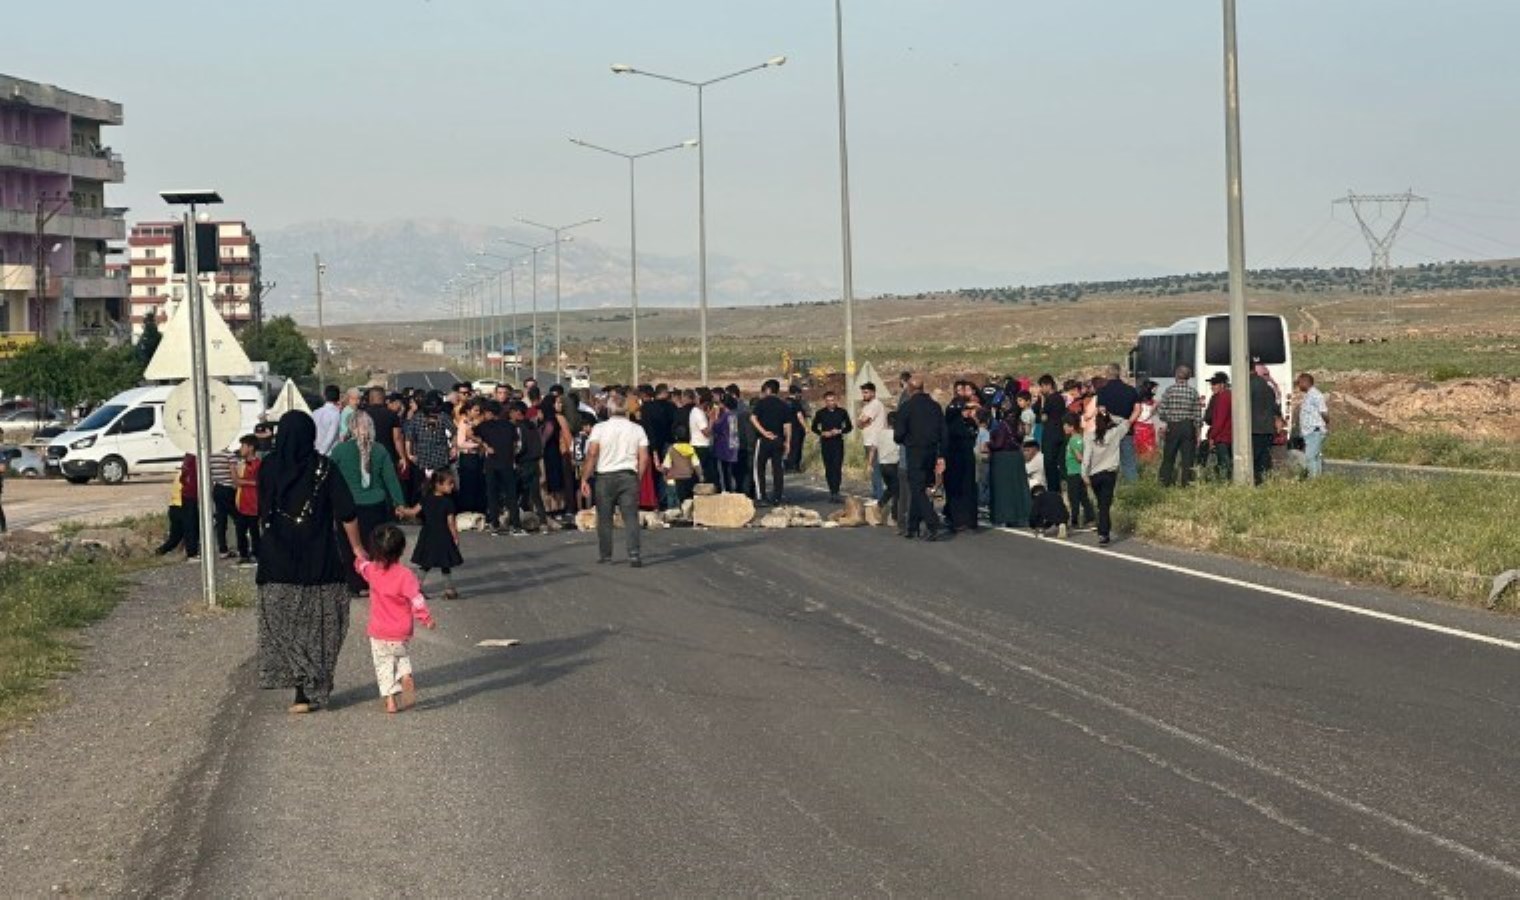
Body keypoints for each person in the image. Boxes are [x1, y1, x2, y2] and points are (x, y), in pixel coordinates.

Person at [256, 410, 366, 714]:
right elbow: (346, 512)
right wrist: (357, 548)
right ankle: (316, 685)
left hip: (277, 558)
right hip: (320, 558)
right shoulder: (325, 468)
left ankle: (301, 690)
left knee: (282, 623)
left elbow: (262, 509)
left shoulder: (268, 466)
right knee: (322, 624)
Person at [354, 523, 436, 715]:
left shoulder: (372, 571)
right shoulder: (405, 575)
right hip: (400, 631)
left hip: (379, 630)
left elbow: (361, 565)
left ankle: (390, 700)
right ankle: (405, 674)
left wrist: (359, 559)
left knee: (383, 664)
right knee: (401, 656)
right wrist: (426, 618)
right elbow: (417, 599)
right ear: (401, 550)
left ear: (375, 550)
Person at [330, 411, 410, 595]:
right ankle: (374, 581)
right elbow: (391, 479)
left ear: (350, 428)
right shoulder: (380, 449)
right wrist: (400, 503)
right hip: (376, 505)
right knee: (376, 547)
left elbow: (331, 479)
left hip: (348, 507)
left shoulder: (339, 450)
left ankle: (354, 584)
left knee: (349, 546)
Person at [581, 391, 652, 567]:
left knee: (604, 518)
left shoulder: (599, 428)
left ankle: (606, 554)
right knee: (631, 517)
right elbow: (644, 457)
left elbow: (592, 453)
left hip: (605, 476)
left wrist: (584, 477)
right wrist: (638, 477)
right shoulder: (637, 429)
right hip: (628, 475)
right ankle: (634, 554)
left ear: (609, 410)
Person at [893, 376, 949, 541]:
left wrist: (907, 440)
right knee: (923, 486)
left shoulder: (906, 407)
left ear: (910, 389)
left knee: (917, 489)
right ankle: (912, 526)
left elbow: (898, 435)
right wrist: (942, 455)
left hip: (915, 451)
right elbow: (943, 433)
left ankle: (932, 522)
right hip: (931, 451)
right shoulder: (935, 406)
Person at [412, 470, 464, 599]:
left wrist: (402, 510)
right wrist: (455, 536)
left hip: (428, 535)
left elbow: (414, 511)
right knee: (445, 564)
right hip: (443, 536)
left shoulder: (426, 499)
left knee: (426, 564)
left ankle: (415, 588)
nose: (452, 486)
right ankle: (449, 590)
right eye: (449, 483)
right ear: (438, 484)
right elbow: (451, 522)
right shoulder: (448, 502)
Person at [1083, 411, 1130, 546]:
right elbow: (1126, 422)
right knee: (1105, 505)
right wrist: (1112, 416)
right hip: (1109, 473)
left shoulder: (1090, 436)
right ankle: (1104, 533)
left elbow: (1086, 458)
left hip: (1094, 474)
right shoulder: (1115, 434)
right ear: (1108, 422)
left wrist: (1084, 474)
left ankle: (1103, 528)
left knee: (1101, 504)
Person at [1157, 366, 1202, 487]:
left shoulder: (1169, 391)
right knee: (1188, 458)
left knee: (1169, 456)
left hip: (1173, 426)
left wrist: (1169, 418)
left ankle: (1165, 482)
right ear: (1188, 377)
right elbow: (1198, 414)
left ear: (1176, 376)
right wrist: (1198, 433)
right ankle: (1186, 483)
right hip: (1188, 426)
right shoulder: (1193, 392)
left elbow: (1161, 411)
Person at [750, 379, 792, 506]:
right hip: (778, 439)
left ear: (768, 389)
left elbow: (753, 418)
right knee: (778, 469)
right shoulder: (784, 405)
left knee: (759, 468)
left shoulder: (762, 403)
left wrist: (763, 432)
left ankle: (761, 496)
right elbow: (787, 425)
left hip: (763, 440)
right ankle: (777, 497)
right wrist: (788, 442)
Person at [1095, 364, 1141, 480]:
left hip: (1109, 430)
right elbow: (1138, 409)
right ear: (1118, 373)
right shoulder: (1131, 390)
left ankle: (1109, 488)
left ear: (1107, 374)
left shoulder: (1102, 391)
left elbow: (1102, 410)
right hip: (1126, 430)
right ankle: (1133, 489)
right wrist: (1129, 422)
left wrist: (1109, 420)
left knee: (1108, 462)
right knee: (1129, 462)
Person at [986, 411, 1030, 528]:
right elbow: (1021, 438)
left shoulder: (1002, 425)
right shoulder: (1019, 425)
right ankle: (1021, 516)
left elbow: (999, 444)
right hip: (1017, 457)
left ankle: (1005, 516)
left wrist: (989, 444)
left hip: (1003, 460)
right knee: (1018, 488)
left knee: (1004, 490)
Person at [810, 391, 853, 501]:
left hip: (838, 442)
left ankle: (836, 491)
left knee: (837, 467)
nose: (830, 403)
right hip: (826, 443)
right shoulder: (821, 413)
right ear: (825, 401)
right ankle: (832, 490)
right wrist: (822, 433)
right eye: (828, 401)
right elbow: (814, 427)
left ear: (836, 400)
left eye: (832, 400)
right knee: (828, 468)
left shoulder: (842, 412)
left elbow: (849, 427)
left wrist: (839, 431)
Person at [1061, 414, 1096, 530]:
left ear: (1072, 427)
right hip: (1080, 473)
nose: (1064, 428)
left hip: (1074, 472)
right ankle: (1090, 518)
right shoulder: (1080, 438)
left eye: (1066, 426)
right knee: (1083, 497)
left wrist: (1083, 462)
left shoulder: (1073, 440)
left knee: (1073, 497)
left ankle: (1075, 521)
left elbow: (1079, 457)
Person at [233, 434, 262, 566]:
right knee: (240, 530)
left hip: (253, 503)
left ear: (251, 448)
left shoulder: (258, 464)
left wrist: (241, 481)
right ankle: (243, 553)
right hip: (242, 502)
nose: (241, 448)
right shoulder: (242, 463)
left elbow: (258, 482)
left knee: (254, 530)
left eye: (243, 446)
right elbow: (236, 481)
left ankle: (257, 553)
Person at [1037, 375, 1067, 499]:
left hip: (1050, 435)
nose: (1041, 390)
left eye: (1042, 387)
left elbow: (1043, 417)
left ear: (1048, 385)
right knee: (1059, 464)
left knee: (1050, 465)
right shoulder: (1060, 398)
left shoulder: (1050, 399)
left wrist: (1043, 402)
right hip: (1060, 433)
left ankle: (1053, 492)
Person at [1249, 363, 1280, 485]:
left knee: (1253, 461)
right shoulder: (1268, 388)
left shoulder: (1247, 385)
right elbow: (1275, 409)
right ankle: (1263, 484)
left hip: (1253, 429)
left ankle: (1254, 484)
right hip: (1267, 429)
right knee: (1264, 460)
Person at [1296, 372, 1329, 478]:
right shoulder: (1309, 395)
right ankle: (1317, 480)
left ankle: (1313, 481)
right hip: (1310, 431)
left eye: (1299, 382)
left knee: (1310, 457)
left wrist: (1326, 423)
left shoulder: (1315, 394)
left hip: (1314, 431)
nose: (1298, 385)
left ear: (1305, 382)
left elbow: (1323, 411)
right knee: (1315, 457)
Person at [858, 382, 887, 500]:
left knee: (875, 471)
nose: (864, 395)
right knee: (873, 470)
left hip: (875, 442)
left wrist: (862, 421)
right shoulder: (868, 406)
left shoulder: (875, 404)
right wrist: (862, 422)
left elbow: (862, 420)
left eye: (866, 392)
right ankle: (877, 494)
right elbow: (860, 423)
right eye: (863, 392)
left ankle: (879, 497)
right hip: (869, 441)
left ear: (873, 393)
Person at [209, 448, 239, 559]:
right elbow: (233, 473)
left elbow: (210, 474)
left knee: (221, 520)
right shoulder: (229, 455)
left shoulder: (211, 456)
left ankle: (223, 549)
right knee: (239, 518)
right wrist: (237, 486)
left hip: (217, 488)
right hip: (229, 489)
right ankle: (240, 547)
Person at [1203, 373, 1233, 481]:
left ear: (1222, 385)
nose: (1212, 386)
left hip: (1222, 437)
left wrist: (1212, 436)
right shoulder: (1229, 395)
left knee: (1224, 464)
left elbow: (1219, 420)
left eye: (1214, 384)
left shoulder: (1223, 398)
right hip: (1229, 436)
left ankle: (1225, 484)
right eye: (1211, 384)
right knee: (1227, 462)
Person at [663, 423, 703, 504]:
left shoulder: (672, 449)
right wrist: (701, 476)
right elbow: (696, 464)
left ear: (676, 437)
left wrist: (665, 474)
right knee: (688, 500)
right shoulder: (691, 449)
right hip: (689, 478)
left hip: (676, 480)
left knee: (678, 500)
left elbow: (666, 465)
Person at [712, 395, 742, 494]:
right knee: (733, 471)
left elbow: (716, 427)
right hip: (734, 445)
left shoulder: (725, 416)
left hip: (725, 446)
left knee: (725, 471)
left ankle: (728, 490)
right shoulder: (735, 414)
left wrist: (714, 417)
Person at [876, 411, 901, 528]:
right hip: (893, 465)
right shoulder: (897, 435)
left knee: (890, 488)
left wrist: (869, 463)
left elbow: (873, 447)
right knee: (897, 492)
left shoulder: (881, 433)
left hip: (882, 465)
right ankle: (894, 517)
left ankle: (880, 505)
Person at [312, 385, 343, 456]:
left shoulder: (315, 412)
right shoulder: (335, 414)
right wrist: (321, 452)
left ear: (324, 396)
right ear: (338, 397)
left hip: (314, 450)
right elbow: (331, 436)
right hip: (329, 453)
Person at [785, 385, 809, 473]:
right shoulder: (796, 403)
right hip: (796, 428)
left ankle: (787, 466)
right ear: (796, 393)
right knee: (797, 447)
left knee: (788, 447)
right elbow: (799, 416)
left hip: (786, 428)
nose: (800, 396)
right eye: (799, 393)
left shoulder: (784, 402)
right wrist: (805, 427)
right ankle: (795, 466)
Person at [1133, 381, 1159, 457]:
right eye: (1155, 389)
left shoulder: (1139, 400)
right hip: (1145, 427)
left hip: (1139, 427)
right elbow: (1145, 416)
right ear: (1149, 389)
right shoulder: (1148, 402)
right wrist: (1154, 407)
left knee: (1141, 451)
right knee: (1147, 451)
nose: (1156, 391)